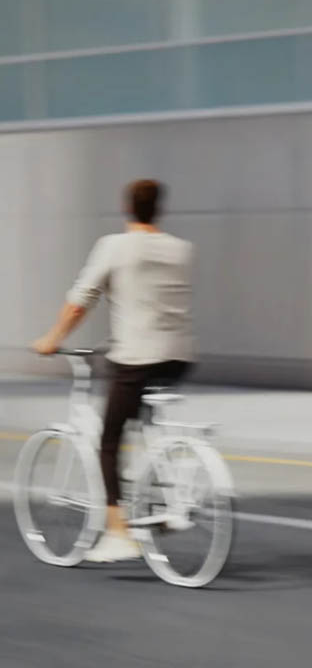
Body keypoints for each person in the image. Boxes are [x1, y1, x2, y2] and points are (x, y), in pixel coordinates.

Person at [32, 179, 195, 563]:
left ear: (127, 208)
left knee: (109, 440)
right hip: (179, 357)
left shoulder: (115, 246)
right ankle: (165, 490)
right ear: (159, 209)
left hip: (136, 357)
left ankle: (118, 532)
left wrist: (52, 338)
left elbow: (79, 302)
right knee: (141, 421)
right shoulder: (181, 250)